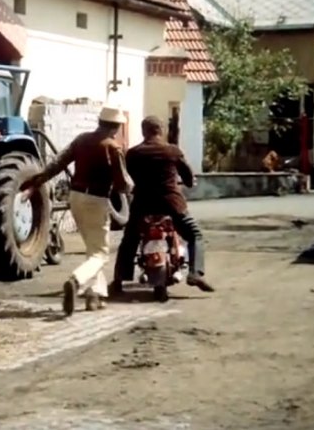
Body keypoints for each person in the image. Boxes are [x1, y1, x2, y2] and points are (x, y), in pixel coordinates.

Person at [21, 105, 134, 316]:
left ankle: (95, 296)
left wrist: (36, 182)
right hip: (96, 200)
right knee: (100, 254)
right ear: (116, 127)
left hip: (76, 197)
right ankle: (76, 281)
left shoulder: (82, 140)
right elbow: (122, 184)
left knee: (93, 248)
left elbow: (57, 163)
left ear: (100, 122)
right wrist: (130, 188)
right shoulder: (113, 147)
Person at [109, 115, 215, 295]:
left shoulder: (133, 153)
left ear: (144, 132)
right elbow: (188, 176)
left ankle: (119, 280)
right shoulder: (172, 151)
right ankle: (195, 273)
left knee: (129, 240)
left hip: (142, 204)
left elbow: (125, 178)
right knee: (194, 234)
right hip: (171, 204)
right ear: (161, 130)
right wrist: (189, 182)